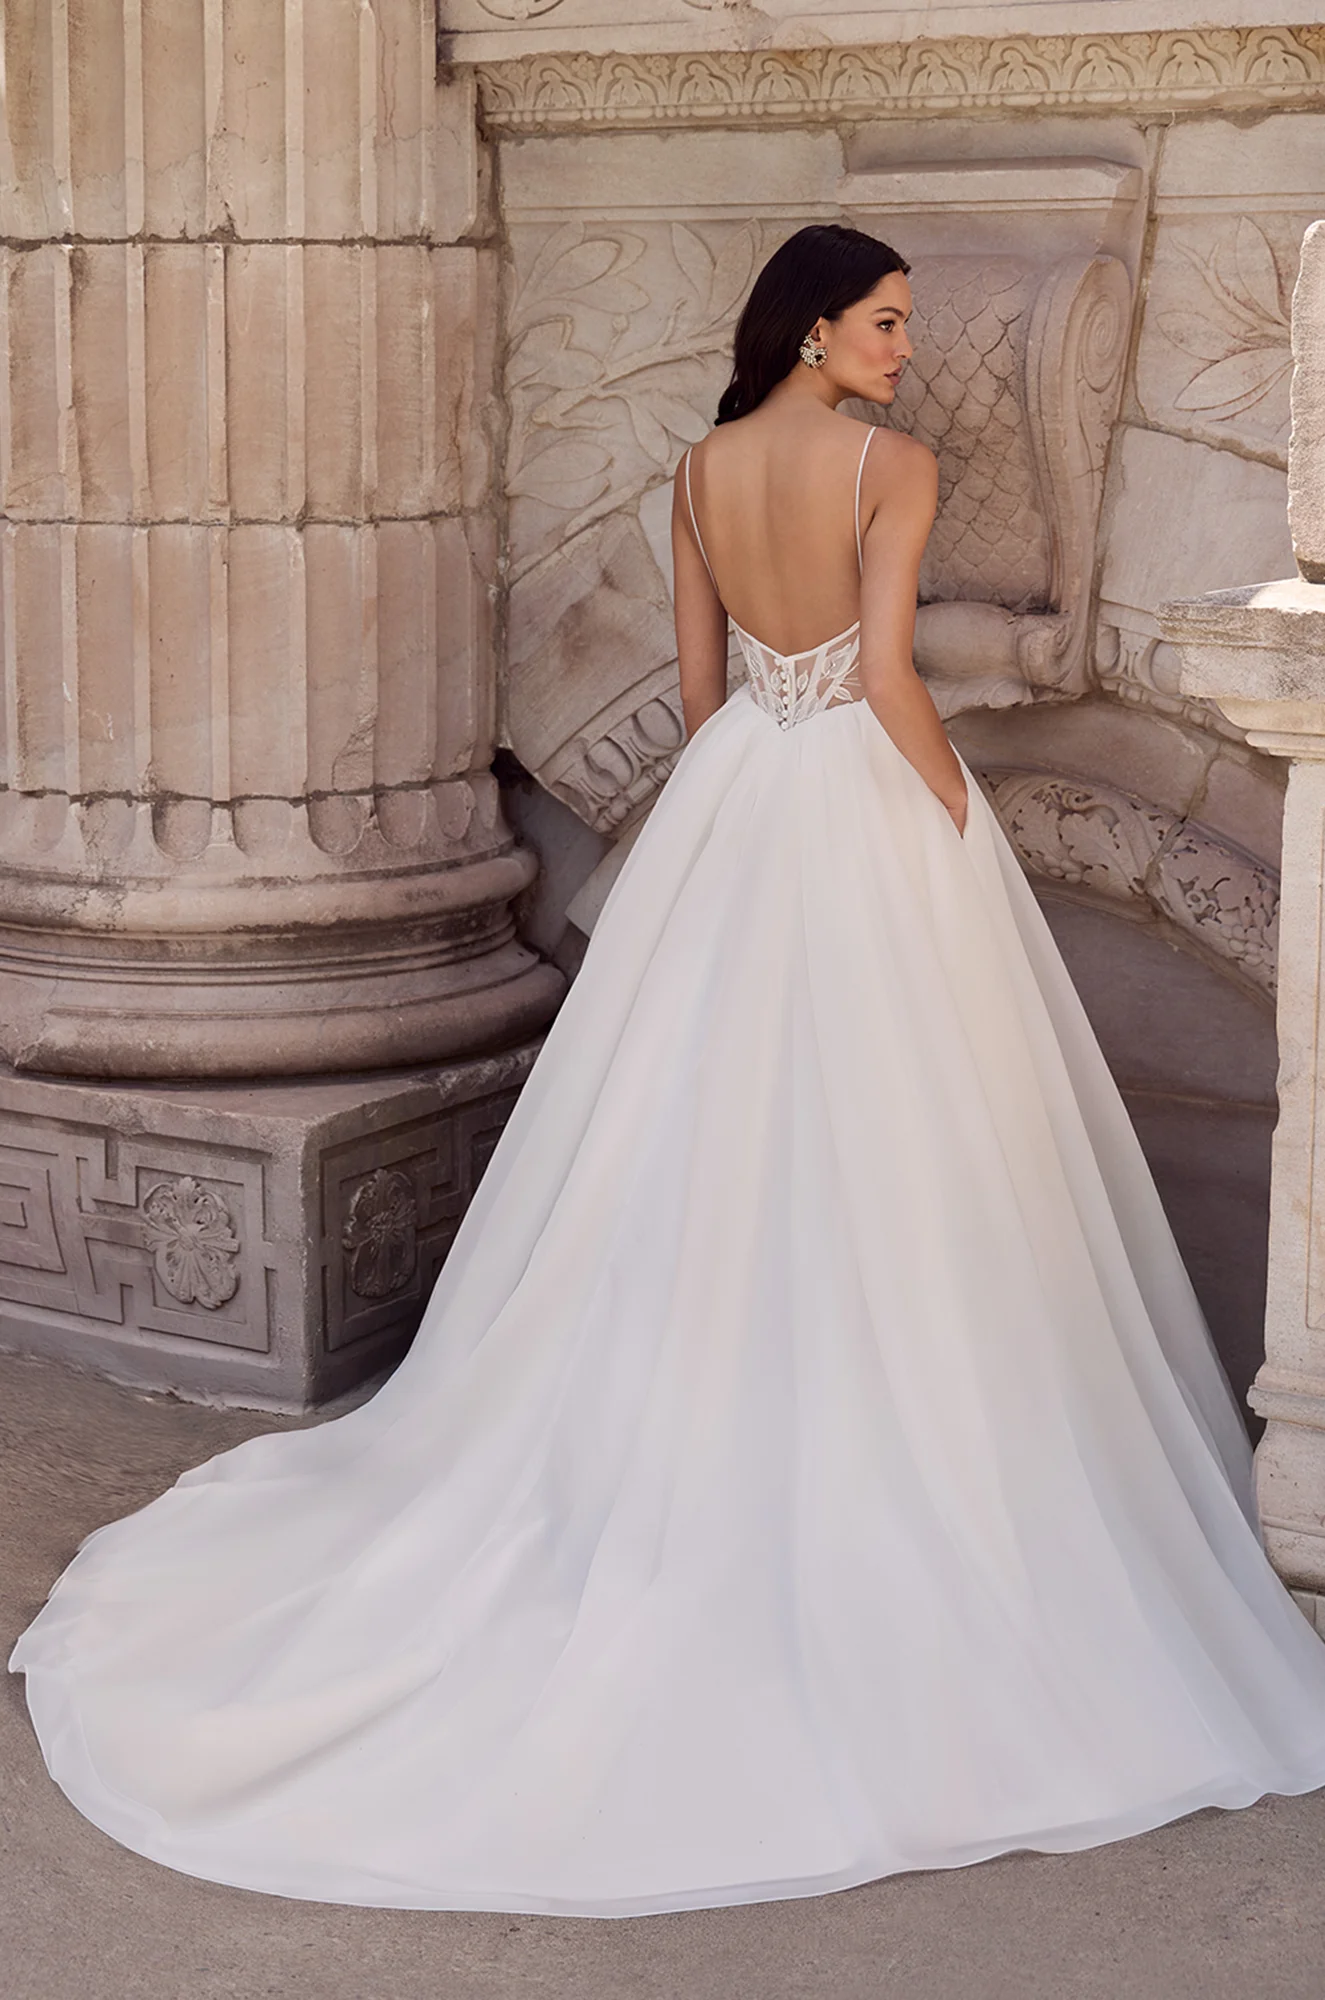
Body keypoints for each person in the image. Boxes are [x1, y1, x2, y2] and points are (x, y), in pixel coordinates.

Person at [11, 224, 1325, 1920]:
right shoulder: (888, 466)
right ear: (815, 331)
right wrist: (951, 823)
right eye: (888, 323)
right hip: (854, 789)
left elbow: (709, 701)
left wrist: (733, 832)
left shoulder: (703, 470)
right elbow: (890, 679)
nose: (908, 349)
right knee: (906, 1148)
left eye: (910, 327)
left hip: (738, 805)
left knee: (684, 1135)